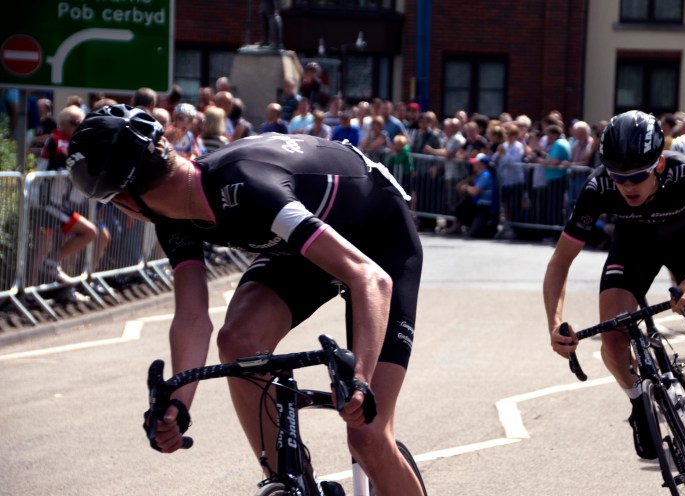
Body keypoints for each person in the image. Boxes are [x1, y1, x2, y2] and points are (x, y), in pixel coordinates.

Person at [66, 104, 425, 495]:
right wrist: (178, 405)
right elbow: (192, 314)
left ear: (127, 202)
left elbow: (368, 277)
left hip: (377, 243)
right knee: (238, 342)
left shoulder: (248, 186)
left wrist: (361, 378)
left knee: (367, 436)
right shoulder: (171, 217)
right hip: (300, 247)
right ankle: (289, 482)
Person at [543, 110, 685, 496]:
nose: (627, 185)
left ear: (658, 163)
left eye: (637, 176)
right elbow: (560, 261)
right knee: (613, 337)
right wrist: (555, 323)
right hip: (634, 247)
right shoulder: (598, 187)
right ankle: (638, 403)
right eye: (618, 176)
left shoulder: (684, 174)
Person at [34, 105, 107, 287]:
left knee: (67, 244)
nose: (79, 126)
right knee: (87, 232)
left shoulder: (74, 142)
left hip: (60, 204)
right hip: (45, 202)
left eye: (82, 123)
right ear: (61, 124)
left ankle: (61, 287)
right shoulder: (58, 139)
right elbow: (66, 161)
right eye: (75, 123)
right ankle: (31, 288)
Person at [441, 153, 498, 238]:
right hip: (477, 206)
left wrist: (465, 187)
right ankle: (457, 227)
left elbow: (475, 191)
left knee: (474, 233)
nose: (473, 165)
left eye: (476, 163)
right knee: (460, 207)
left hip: (485, 209)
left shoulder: (485, 175)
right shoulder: (478, 175)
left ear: (481, 164)